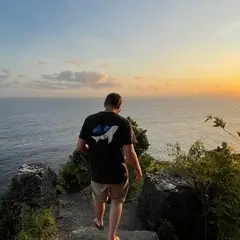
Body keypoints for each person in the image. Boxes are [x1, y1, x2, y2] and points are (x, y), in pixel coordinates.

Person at [76, 92, 142, 240]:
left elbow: (79, 147)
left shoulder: (90, 120)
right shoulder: (124, 123)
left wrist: (91, 152)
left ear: (105, 104)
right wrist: (138, 169)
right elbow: (129, 152)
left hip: (97, 170)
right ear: (119, 106)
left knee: (99, 198)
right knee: (117, 201)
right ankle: (111, 236)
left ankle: (99, 221)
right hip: (118, 172)